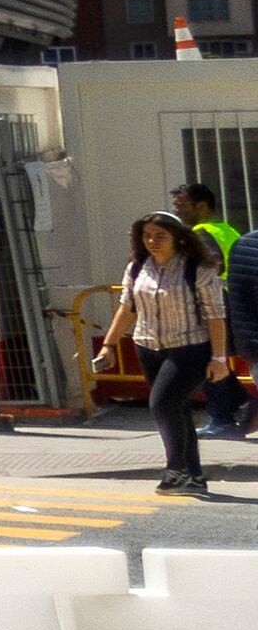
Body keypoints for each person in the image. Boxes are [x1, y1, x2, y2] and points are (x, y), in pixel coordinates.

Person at [114, 212, 220, 497]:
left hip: (189, 348)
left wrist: (219, 358)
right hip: (148, 347)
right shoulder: (138, 267)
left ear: (178, 237)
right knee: (177, 408)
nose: (152, 241)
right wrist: (108, 346)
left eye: (160, 236)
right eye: (147, 236)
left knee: (161, 403)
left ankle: (176, 469)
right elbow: (127, 309)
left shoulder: (196, 268)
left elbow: (215, 316)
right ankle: (193, 475)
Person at [183, 184, 250, 439]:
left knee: (209, 360)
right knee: (214, 360)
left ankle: (222, 417)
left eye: (183, 206)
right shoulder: (225, 229)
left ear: (201, 206)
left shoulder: (200, 232)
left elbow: (210, 268)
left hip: (216, 304)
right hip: (233, 302)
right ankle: (242, 402)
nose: (179, 211)